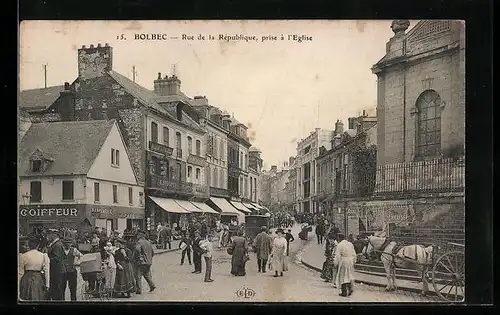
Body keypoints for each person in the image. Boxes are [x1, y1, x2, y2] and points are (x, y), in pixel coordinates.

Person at [46, 231, 65, 300]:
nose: (48, 236)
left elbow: (56, 258)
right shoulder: (56, 244)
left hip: (57, 271)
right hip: (56, 270)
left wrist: (46, 260)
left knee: (57, 289)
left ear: (54, 235)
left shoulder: (57, 245)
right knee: (56, 289)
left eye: (49, 235)